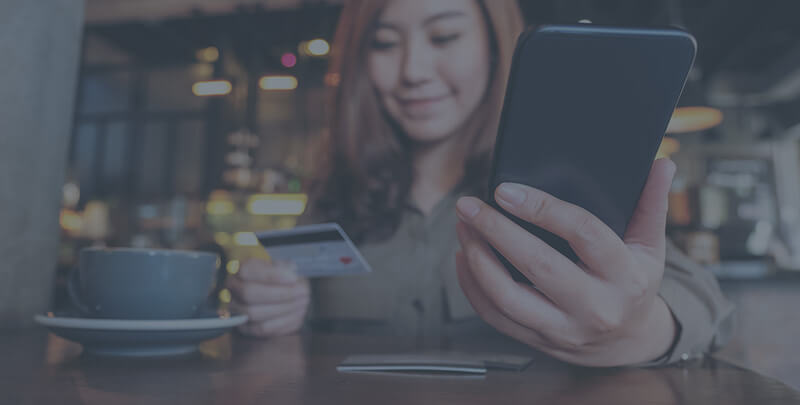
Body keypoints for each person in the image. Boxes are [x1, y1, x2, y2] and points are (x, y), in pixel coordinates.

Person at [227, 0, 734, 366]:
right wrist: (266, 305)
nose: (413, 71)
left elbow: (698, 301)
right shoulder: (336, 192)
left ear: (496, 47)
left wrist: (640, 331)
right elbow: (292, 315)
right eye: (383, 44)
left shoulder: (562, 181)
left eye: (444, 37)